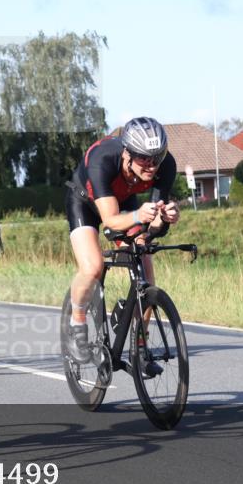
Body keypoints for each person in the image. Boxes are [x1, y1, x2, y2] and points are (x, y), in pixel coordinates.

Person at [64, 117, 181, 372]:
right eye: (144, 158)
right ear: (127, 153)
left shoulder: (166, 165)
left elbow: (153, 231)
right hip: (84, 203)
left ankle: (139, 347)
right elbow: (109, 222)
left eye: (157, 157)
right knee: (93, 267)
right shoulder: (103, 160)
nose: (151, 165)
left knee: (145, 272)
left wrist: (165, 217)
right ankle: (77, 322)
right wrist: (140, 216)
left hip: (125, 202)